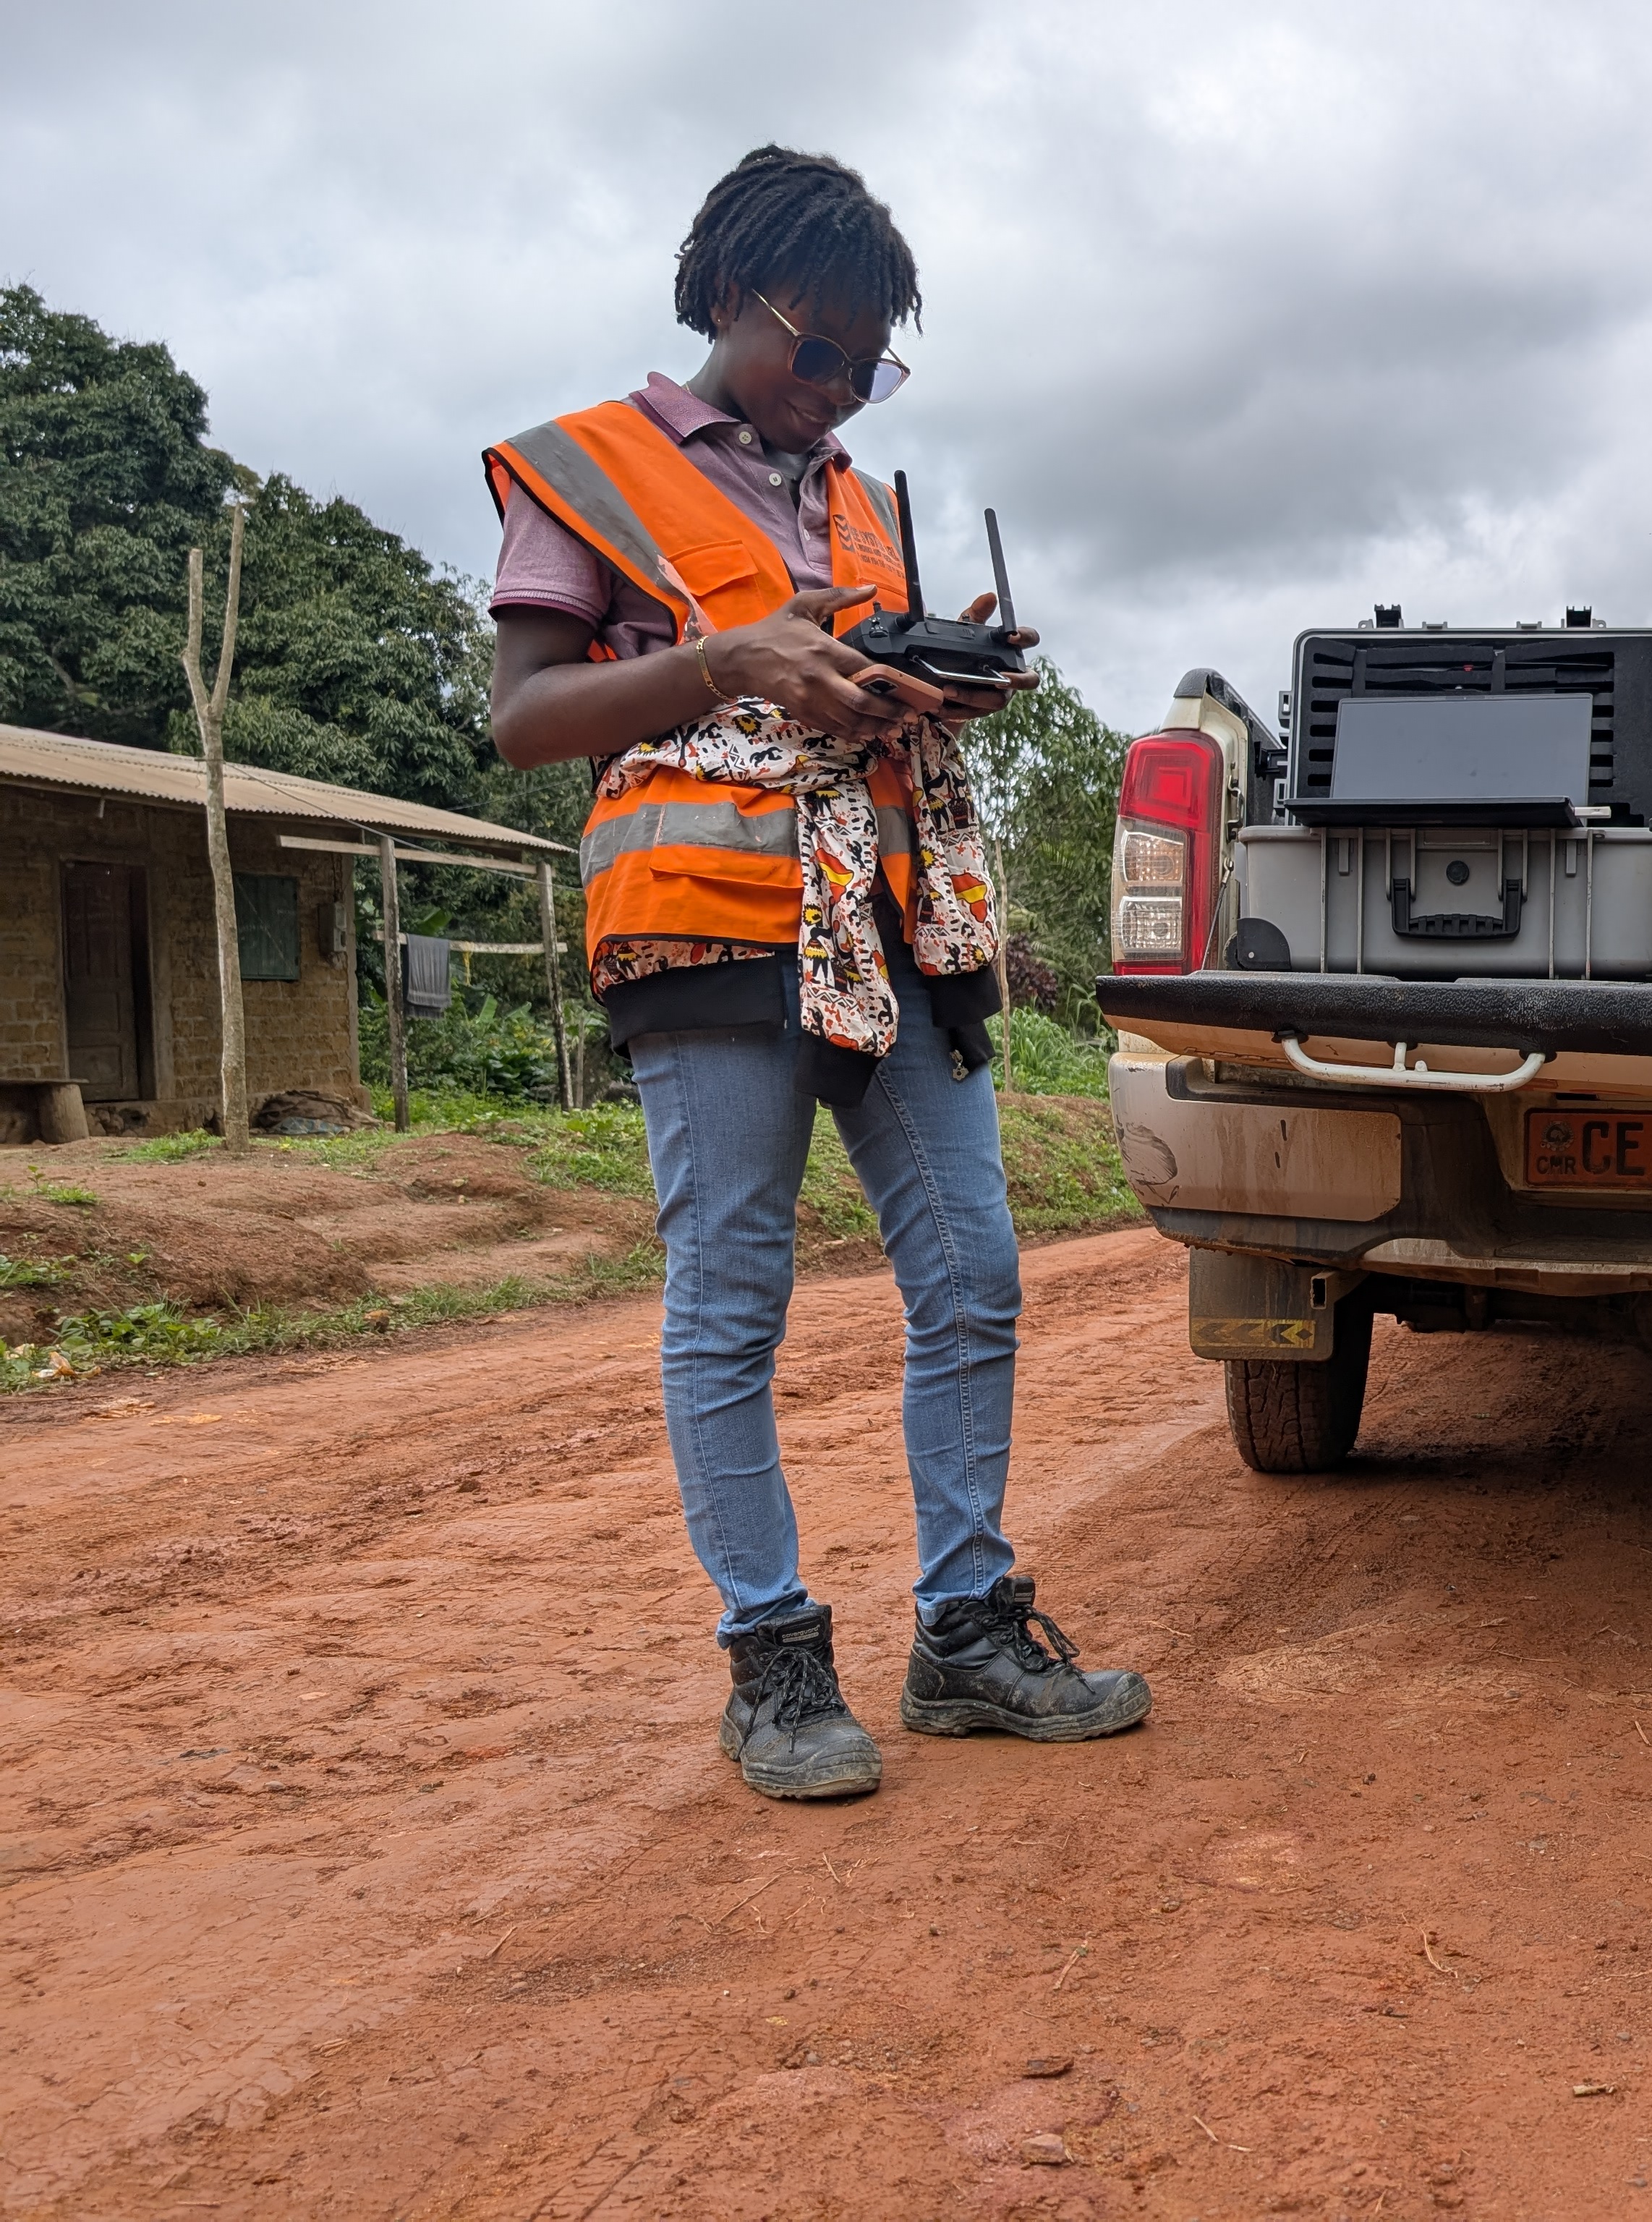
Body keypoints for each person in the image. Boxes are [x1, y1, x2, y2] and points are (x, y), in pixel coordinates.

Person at [484, 145, 1147, 1800]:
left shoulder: (859, 500)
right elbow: (522, 717)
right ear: (725, 297)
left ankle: (968, 1635)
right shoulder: (588, 473)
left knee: (977, 1274)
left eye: (871, 364)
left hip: (892, 926)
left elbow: (853, 690)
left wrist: (936, 673)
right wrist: (725, 656)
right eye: (817, 348)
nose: (840, 392)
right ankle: (773, 1662)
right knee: (734, 1300)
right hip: (707, 928)